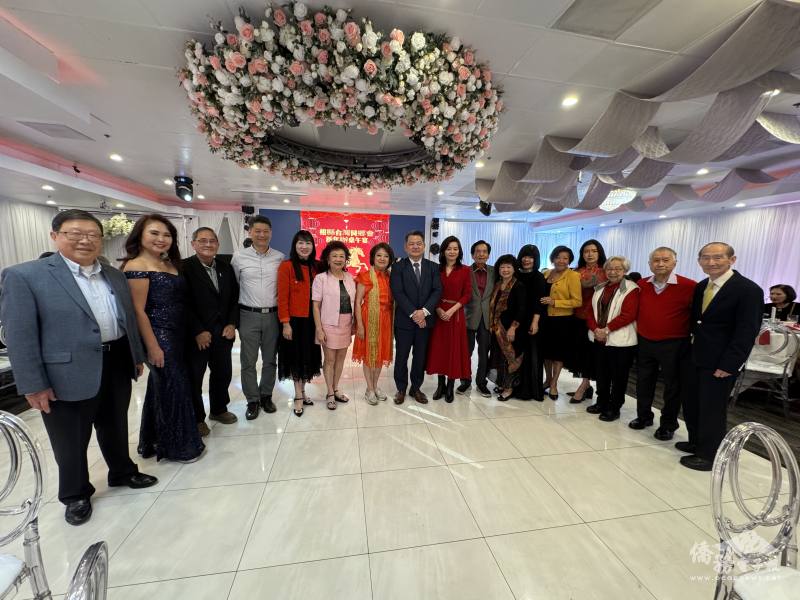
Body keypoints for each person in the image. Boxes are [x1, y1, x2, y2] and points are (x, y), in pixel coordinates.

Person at [1, 209, 157, 526]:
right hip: (64, 372)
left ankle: (122, 471)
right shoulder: (25, 276)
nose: (85, 240)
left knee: (115, 424)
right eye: (75, 233)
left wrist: (135, 355)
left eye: (92, 235)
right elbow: (19, 335)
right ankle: (75, 494)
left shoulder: (113, 274)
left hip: (115, 360)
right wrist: (33, 383)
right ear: (55, 236)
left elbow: (126, 318)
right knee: (70, 438)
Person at [123, 215, 205, 463]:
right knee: (175, 385)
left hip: (179, 334)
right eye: (154, 233)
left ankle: (156, 438)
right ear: (140, 235)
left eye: (167, 235)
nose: (161, 239)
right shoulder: (135, 265)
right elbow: (138, 312)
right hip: (159, 336)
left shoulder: (169, 263)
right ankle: (180, 446)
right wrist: (152, 346)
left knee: (163, 386)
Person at [679, 242, 763, 471]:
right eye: (705, 258)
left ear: (731, 260)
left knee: (712, 408)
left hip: (720, 361)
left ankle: (709, 454)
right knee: (693, 403)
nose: (711, 262)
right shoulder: (702, 286)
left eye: (717, 257)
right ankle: (696, 442)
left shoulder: (747, 289)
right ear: (699, 261)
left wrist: (730, 364)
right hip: (695, 356)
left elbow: (747, 331)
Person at [629, 247, 696, 440]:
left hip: (675, 344)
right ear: (649, 264)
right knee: (643, 382)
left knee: (673, 386)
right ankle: (644, 416)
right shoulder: (641, 285)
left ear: (674, 263)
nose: (660, 264)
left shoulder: (689, 286)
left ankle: (668, 424)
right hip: (645, 341)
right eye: (656, 260)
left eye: (665, 260)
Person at [183, 227, 239, 436]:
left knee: (223, 373)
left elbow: (234, 298)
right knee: (195, 377)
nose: (208, 244)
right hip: (197, 335)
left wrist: (232, 324)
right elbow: (182, 303)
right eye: (202, 240)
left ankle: (219, 409)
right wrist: (198, 330)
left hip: (223, 332)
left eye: (212, 241)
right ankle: (197, 418)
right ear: (193, 244)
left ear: (217, 244)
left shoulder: (225, 266)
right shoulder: (184, 268)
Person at [231, 216, 285, 420]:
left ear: (271, 233)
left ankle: (266, 396)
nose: (262, 235)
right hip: (248, 315)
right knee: (248, 360)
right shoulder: (239, 257)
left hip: (272, 315)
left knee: (270, 360)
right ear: (250, 232)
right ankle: (252, 400)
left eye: (265, 231)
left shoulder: (279, 257)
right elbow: (235, 285)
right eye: (258, 231)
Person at [390, 231, 442, 405]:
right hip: (404, 321)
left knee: (420, 357)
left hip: (425, 322)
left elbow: (437, 290)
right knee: (401, 357)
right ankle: (401, 389)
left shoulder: (433, 267)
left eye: (419, 243)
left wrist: (424, 311)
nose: (415, 246)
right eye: (411, 243)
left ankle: (416, 388)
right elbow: (398, 292)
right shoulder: (398, 267)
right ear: (405, 247)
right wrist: (414, 313)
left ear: (424, 246)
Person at [585, 256, 640, 421]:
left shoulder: (632, 288)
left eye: (618, 269)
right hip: (598, 338)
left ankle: (614, 407)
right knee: (601, 373)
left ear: (625, 271)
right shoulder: (600, 287)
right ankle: (601, 401)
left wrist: (606, 329)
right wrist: (596, 329)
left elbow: (628, 314)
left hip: (620, 342)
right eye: (609, 268)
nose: (613, 272)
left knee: (618, 376)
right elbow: (590, 312)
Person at [277, 230, 322, 417]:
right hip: (294, 321)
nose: (304, 247)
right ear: (295, 246)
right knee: (295, 358)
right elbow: (282, 297)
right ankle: (297, 395)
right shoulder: (286, 266)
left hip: (313, 321)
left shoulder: (317, 267)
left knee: (307, 358)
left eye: (308, 243)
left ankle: (303, 392)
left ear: (313, 246)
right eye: (300, 243)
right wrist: (285, 323)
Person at [426, 236, 471, 403]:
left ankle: (450, 386)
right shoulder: (436, 269)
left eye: (455, 249)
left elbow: (467, 294)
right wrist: (438, 309)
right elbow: (431, 291)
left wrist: (451, 310)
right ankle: (441, 385)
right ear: (443, 251)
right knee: (439, 350)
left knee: (453, 350)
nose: (452, 252)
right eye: (449, 248)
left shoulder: (465, 270)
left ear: (459, 251)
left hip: (455, 315)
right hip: (437, 314)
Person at [312, 241, 356, 411]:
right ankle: (330, 392)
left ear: (346, 259)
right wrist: (319, 329)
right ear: (328, 259)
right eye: (334, 256)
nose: (338, 259)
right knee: (329, 360)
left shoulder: (350, 278)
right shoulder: (321, 278)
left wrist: (354, 323)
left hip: (346, 324)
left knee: (340, 359)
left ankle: (336, 388)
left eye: (341, 256)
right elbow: (316, 306)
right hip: (328, 325)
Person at [352, 243, 395, 405]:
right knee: (369, 354)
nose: (382, 258)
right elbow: (357, 302)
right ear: (373, 257)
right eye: (379, 255)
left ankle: (375, 386)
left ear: (390, 259)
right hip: (368, 318)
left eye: (386, 256)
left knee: (380, 354)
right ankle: (369, 389)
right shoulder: (365, 276)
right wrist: (360, 325)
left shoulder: (391, 277)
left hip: (386, 319)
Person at [539, 246, 582, 399]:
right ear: (553, 258)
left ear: (569, 260)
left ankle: (554, 384)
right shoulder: (546, 273)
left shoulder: (573, 276)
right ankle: (548, 379)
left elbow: (577, 301)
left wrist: (555, 302)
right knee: (546, 353)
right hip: (545, 319)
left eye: (565, 258)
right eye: (558, 257)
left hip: (562, 321)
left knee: (558, 354)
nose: (561, 260)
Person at [569, 239, 607, 404]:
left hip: (597, 319)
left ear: (599, 253)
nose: (590, 254)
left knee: (592, 354)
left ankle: (584, 386)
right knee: (581, 353)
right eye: (586, 251)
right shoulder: (577, 272)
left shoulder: (606, 271)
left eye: (593, 251)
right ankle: (587, 386)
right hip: (577, 316)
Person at [458, 240, 495, 397]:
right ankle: (465, 381)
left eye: (484, 251)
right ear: (472, 255)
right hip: (468, 317)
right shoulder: (465, 271)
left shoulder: (495, 271)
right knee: (466, 352)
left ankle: (481, 383)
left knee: (484, 353)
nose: (481, 254)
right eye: (478, 251)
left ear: (488, 255)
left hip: (487, 319)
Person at [488, 255, 528, 401]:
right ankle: (502, 384)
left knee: (509, 358)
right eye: (502, 267)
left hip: (510, 329)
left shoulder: (518, 286)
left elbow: (522, 309)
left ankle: (509, 388)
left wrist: (513, 328)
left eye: (508, 267)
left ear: (514, 269)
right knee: (499, 358)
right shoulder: (497, 284)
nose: (505, 270)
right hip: (497, 328)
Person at [513, 245, 546, 401]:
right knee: (517, 354)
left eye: (531, 257)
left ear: (536, 260)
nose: (527, 260)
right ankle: (515, 386)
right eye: (524, 256)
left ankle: (531, 390)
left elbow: (539, 302)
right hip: (517, 319)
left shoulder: (538, 277)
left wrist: (535, 322)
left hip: (532, 320)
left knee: (532, 355)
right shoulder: (516, 274)